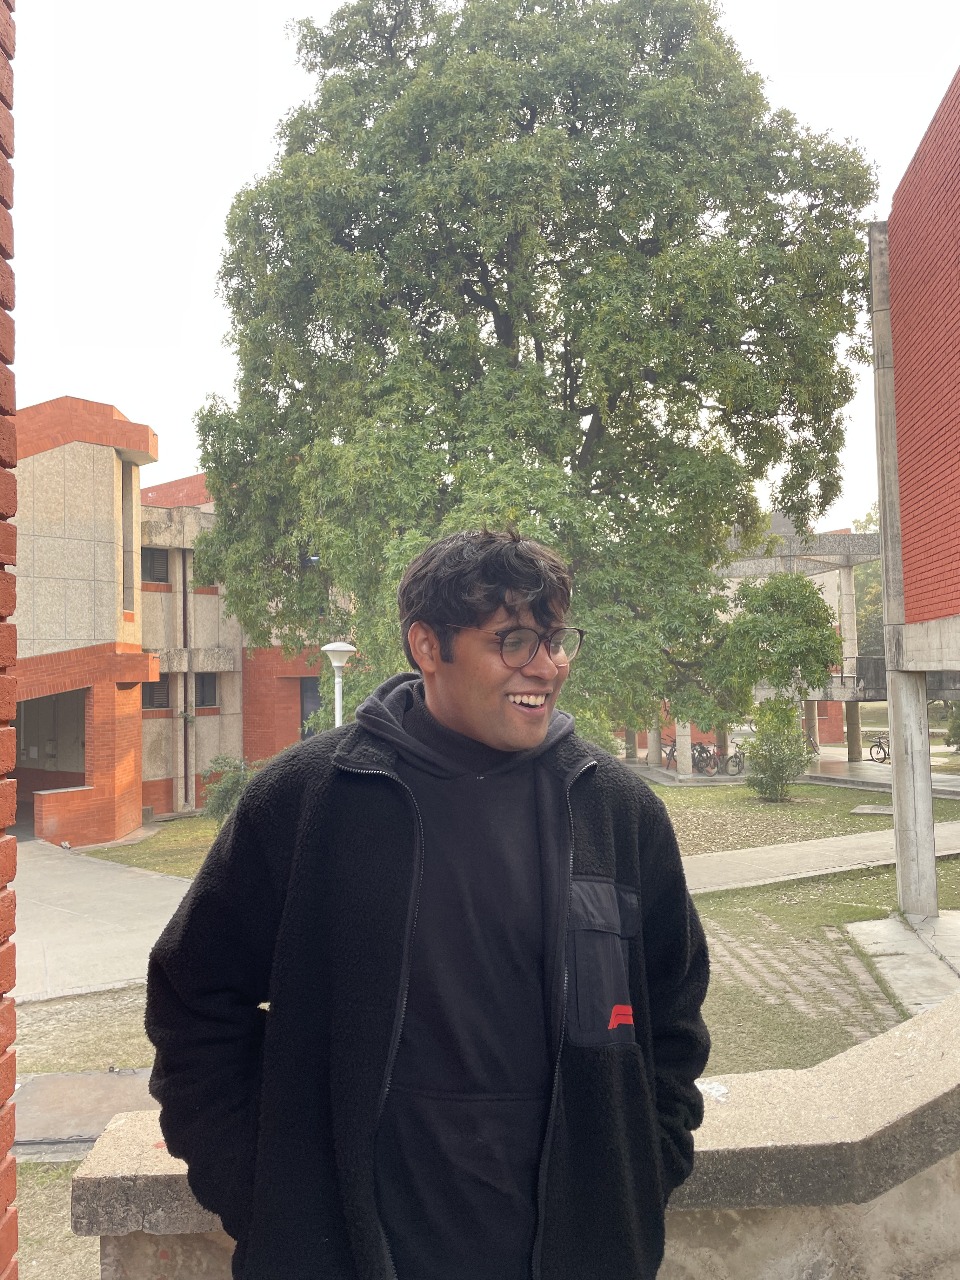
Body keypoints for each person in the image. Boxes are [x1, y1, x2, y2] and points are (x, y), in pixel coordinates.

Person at [146, 529, 710, 1280]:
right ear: (426, 645)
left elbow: (672, 1018)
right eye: (513, 641)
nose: (546, 667)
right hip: (349, 1255)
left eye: (555, 640)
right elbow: (193, 999)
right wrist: (264, 1193)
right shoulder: (309, 801)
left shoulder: (615, 813)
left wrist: (643, 1172)